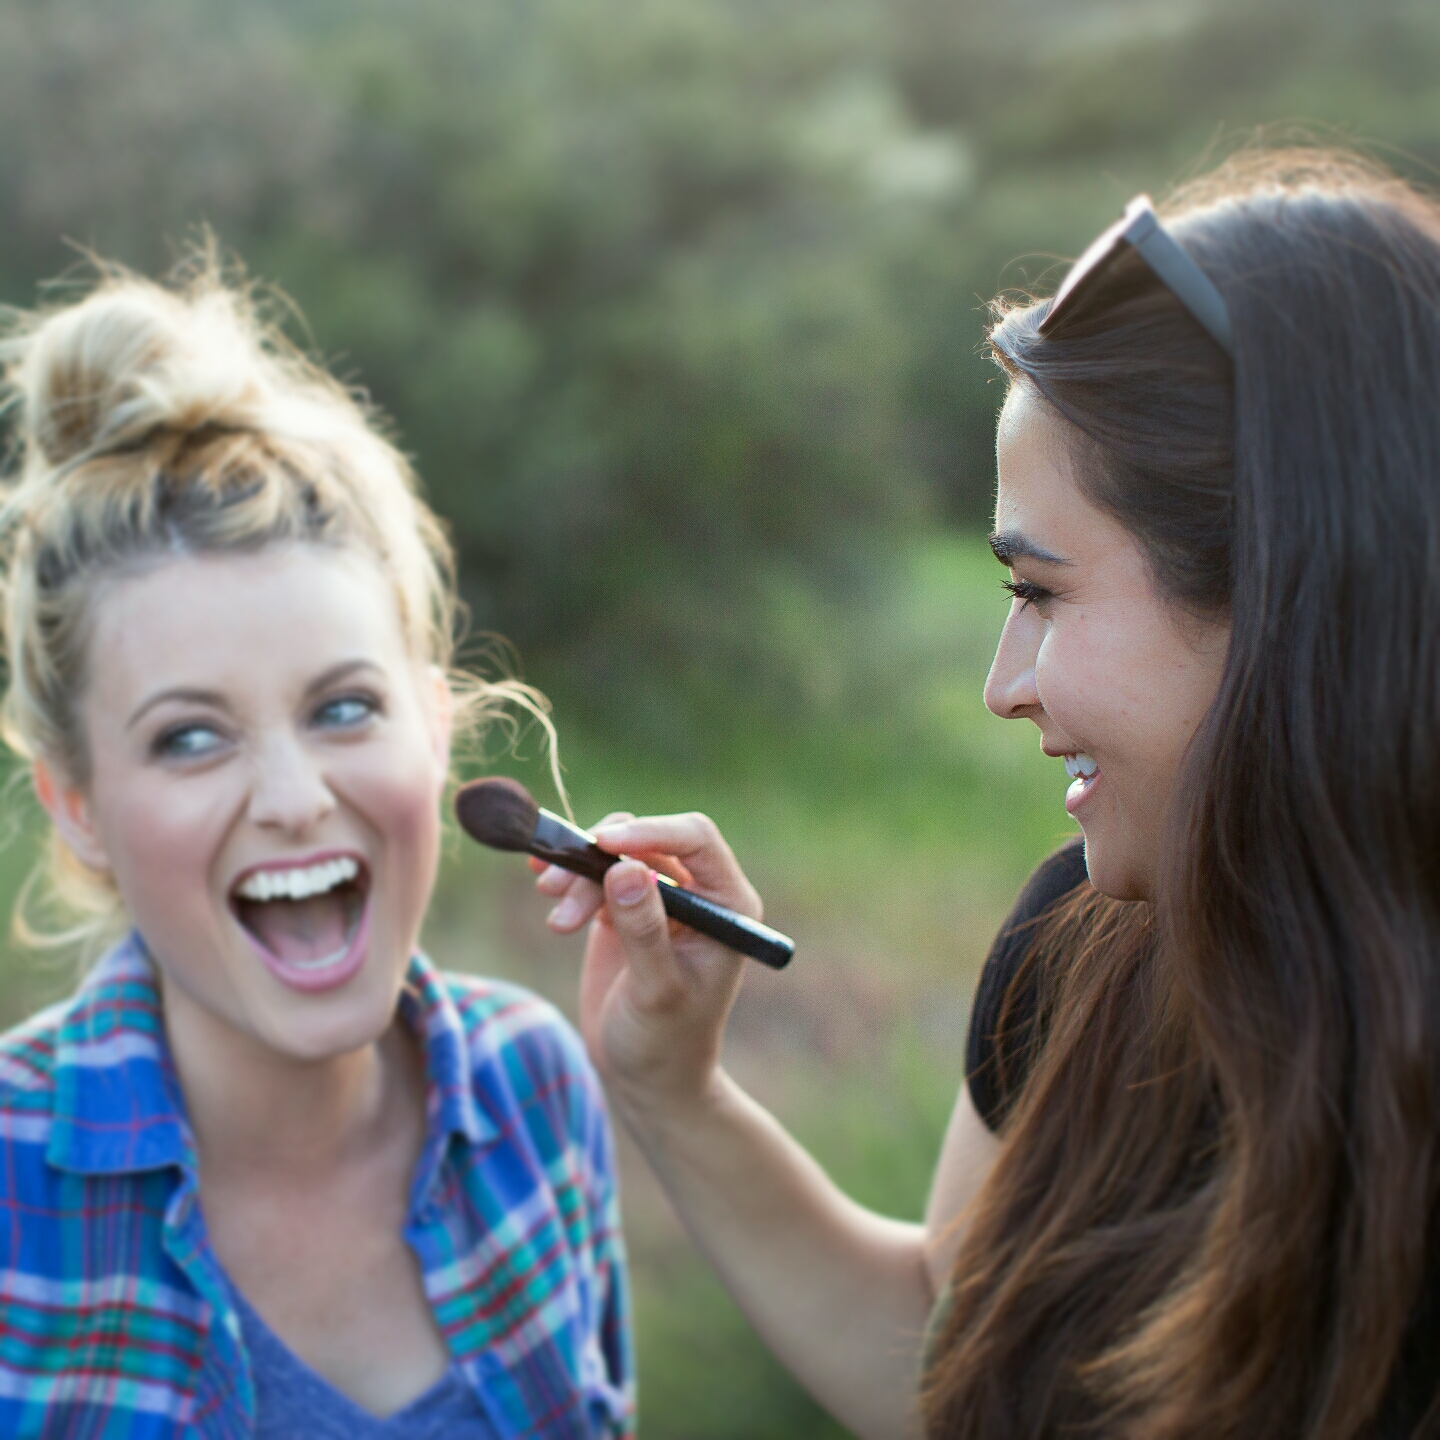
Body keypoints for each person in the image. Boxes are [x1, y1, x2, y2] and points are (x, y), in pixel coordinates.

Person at [536, 148, 1440, 1438]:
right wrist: (671, 1090)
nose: (1000, 685)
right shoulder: (1082, 950)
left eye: (1042, 595)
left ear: (1284, 600)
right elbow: (945, 1358)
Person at [0, 256, 633, 1438]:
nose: (293, 798)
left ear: (434, 730)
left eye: (343, 708)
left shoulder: (538, 1090)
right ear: (77, 803)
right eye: (191, 737)